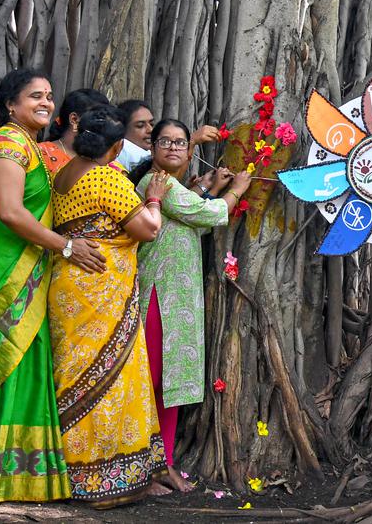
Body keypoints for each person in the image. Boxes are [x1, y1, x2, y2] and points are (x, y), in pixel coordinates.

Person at [0, 69, 106, 502]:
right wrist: (68, 247)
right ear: (10, 105)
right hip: (1, 260)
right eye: (35, 96)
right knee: (1, 354)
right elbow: (9, 212)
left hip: (27, 259)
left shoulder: (31, 147)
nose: (45, 102)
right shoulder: (8, 142)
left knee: (24, 353)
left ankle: (12, 469)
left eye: (50, 96)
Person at [47, 108, 171, 506]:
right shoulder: (106, 177)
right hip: (101, 291)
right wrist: (154, 199)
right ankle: (101, 479)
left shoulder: (64, 174)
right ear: (116, 147)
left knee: (71, 372)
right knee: (111, 378)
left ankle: (69, 473)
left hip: (69, 287)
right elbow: (147, 230)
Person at [132, 120, 254, 491]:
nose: (173, 147)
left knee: (167, 384)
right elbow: (209, 216)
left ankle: (162, 462)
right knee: (152, 380)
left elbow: (191, 224)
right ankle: (142, 466)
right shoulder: (157, 183)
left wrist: (211, 187)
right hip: (159, 294)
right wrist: (236, 191)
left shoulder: (171, 187)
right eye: (165, 141)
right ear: (152, 147)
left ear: (189, 150)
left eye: (181, 143)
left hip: (177, 294)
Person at [0, 88, 111, 208]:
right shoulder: (39, 154)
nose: (107, 126)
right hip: (32, 248)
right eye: (100, 119)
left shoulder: (111, 164)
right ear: (74, 120)